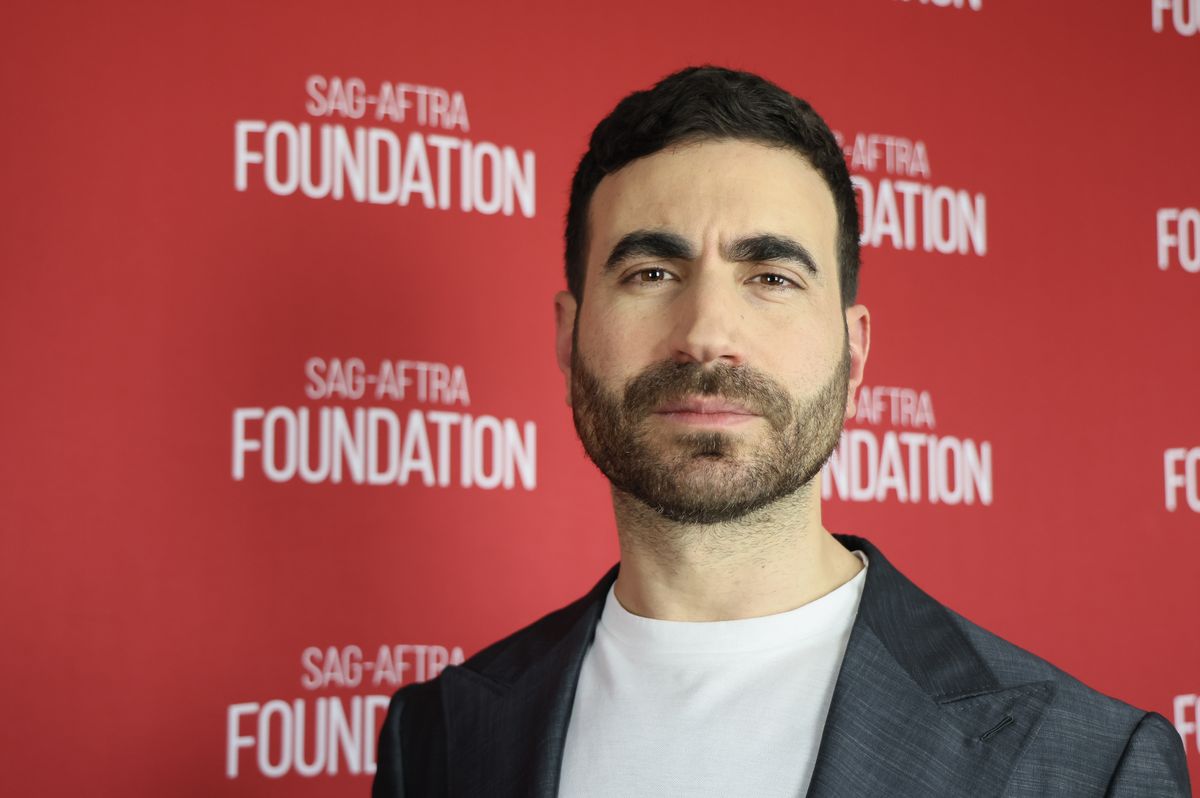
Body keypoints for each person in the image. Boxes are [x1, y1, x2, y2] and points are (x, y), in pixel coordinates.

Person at [373, 65, 1191, 797]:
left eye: (770, 277)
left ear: (855, 348)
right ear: (568, 334)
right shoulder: (439, 740)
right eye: (651, 273)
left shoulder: (1088, 767)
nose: (706, 332)